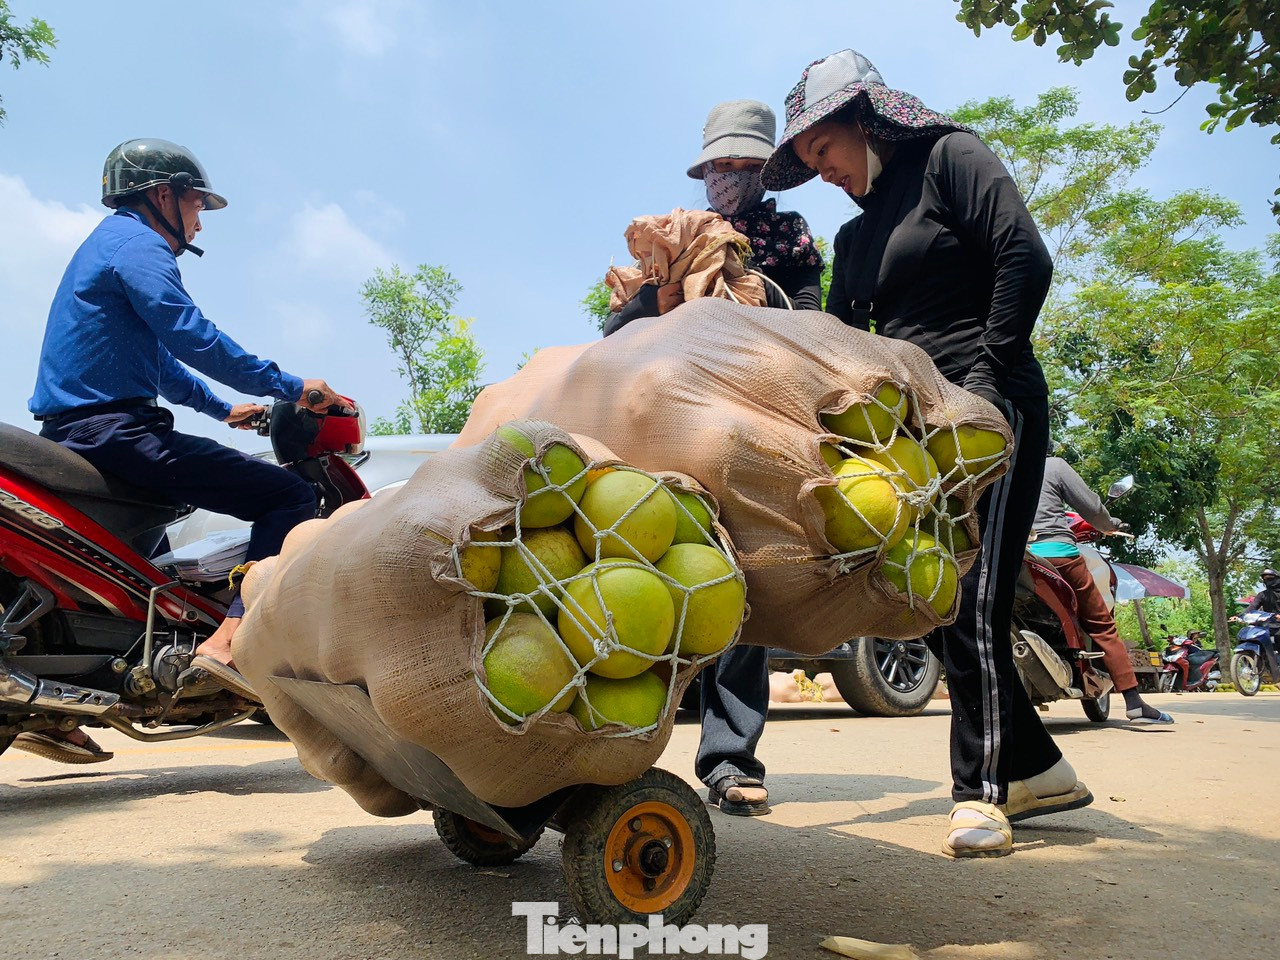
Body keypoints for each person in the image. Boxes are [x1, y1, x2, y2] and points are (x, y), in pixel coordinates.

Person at [762, 50, 1089, 857]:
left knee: (968, 592)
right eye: (808, 163)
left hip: (991, 406)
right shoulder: (854, 230)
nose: (825, 170)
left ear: (867, 120)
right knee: (929, 597)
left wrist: (982, 380)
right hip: (909, 434)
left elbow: (1025, 256)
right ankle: (1036, 767)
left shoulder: (952, 158)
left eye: (825, 151)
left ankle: (980, 796)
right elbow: (839, 340)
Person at [16, 139, 343, 766]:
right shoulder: (137, 245)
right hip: (115, 432)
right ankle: (227, 640)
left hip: (78, 430)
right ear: (161, 195)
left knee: (150, 564)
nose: (198, 221)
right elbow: (189, 333)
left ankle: (58, 703)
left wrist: (223, 410)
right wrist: (290, 385)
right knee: (288, 494)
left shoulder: (106, 245)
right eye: (195, 205)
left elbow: (157, 361)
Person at [604, 100, 824, 816]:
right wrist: (657, 296)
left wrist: (748, 292)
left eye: (742, 165)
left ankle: (729, 760)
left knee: (741, 588)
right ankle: (601, 753)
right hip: (668, 424)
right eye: (717, 167)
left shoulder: (786, 235)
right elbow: (614, 333)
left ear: (765, 171)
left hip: (750, 421)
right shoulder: (670, 236)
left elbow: (818, 325)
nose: (726, 178)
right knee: (638, 582)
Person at [1029, 457, 1173, 724]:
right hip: (1059, 556)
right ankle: (1134, 703)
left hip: (1014, 559)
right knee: (1101, 624)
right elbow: (1093, 509)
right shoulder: (1054, 465)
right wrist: (1109, 525)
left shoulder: (997, 466)